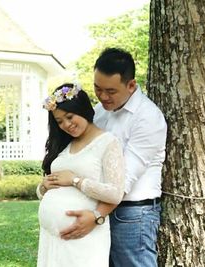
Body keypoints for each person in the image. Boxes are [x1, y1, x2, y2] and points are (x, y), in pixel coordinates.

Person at [59, 48, 167, 267]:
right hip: (99, 208)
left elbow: (123, 181)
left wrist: (97, 215)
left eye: (110, 91)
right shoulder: (100, 111)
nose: (103, 96)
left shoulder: (148, 118)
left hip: (132, 214)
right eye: (98, 88)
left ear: (131, 85)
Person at [36, 83, 125, 267]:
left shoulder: (107, 143)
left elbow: (116, 193)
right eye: (59, 121)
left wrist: (76, 181)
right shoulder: (65, 144)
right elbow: (45, 191)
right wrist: (43, 187)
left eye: (69, 117)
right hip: (51, 239)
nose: (66, 125)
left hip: (84, 237)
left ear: (83, 109)